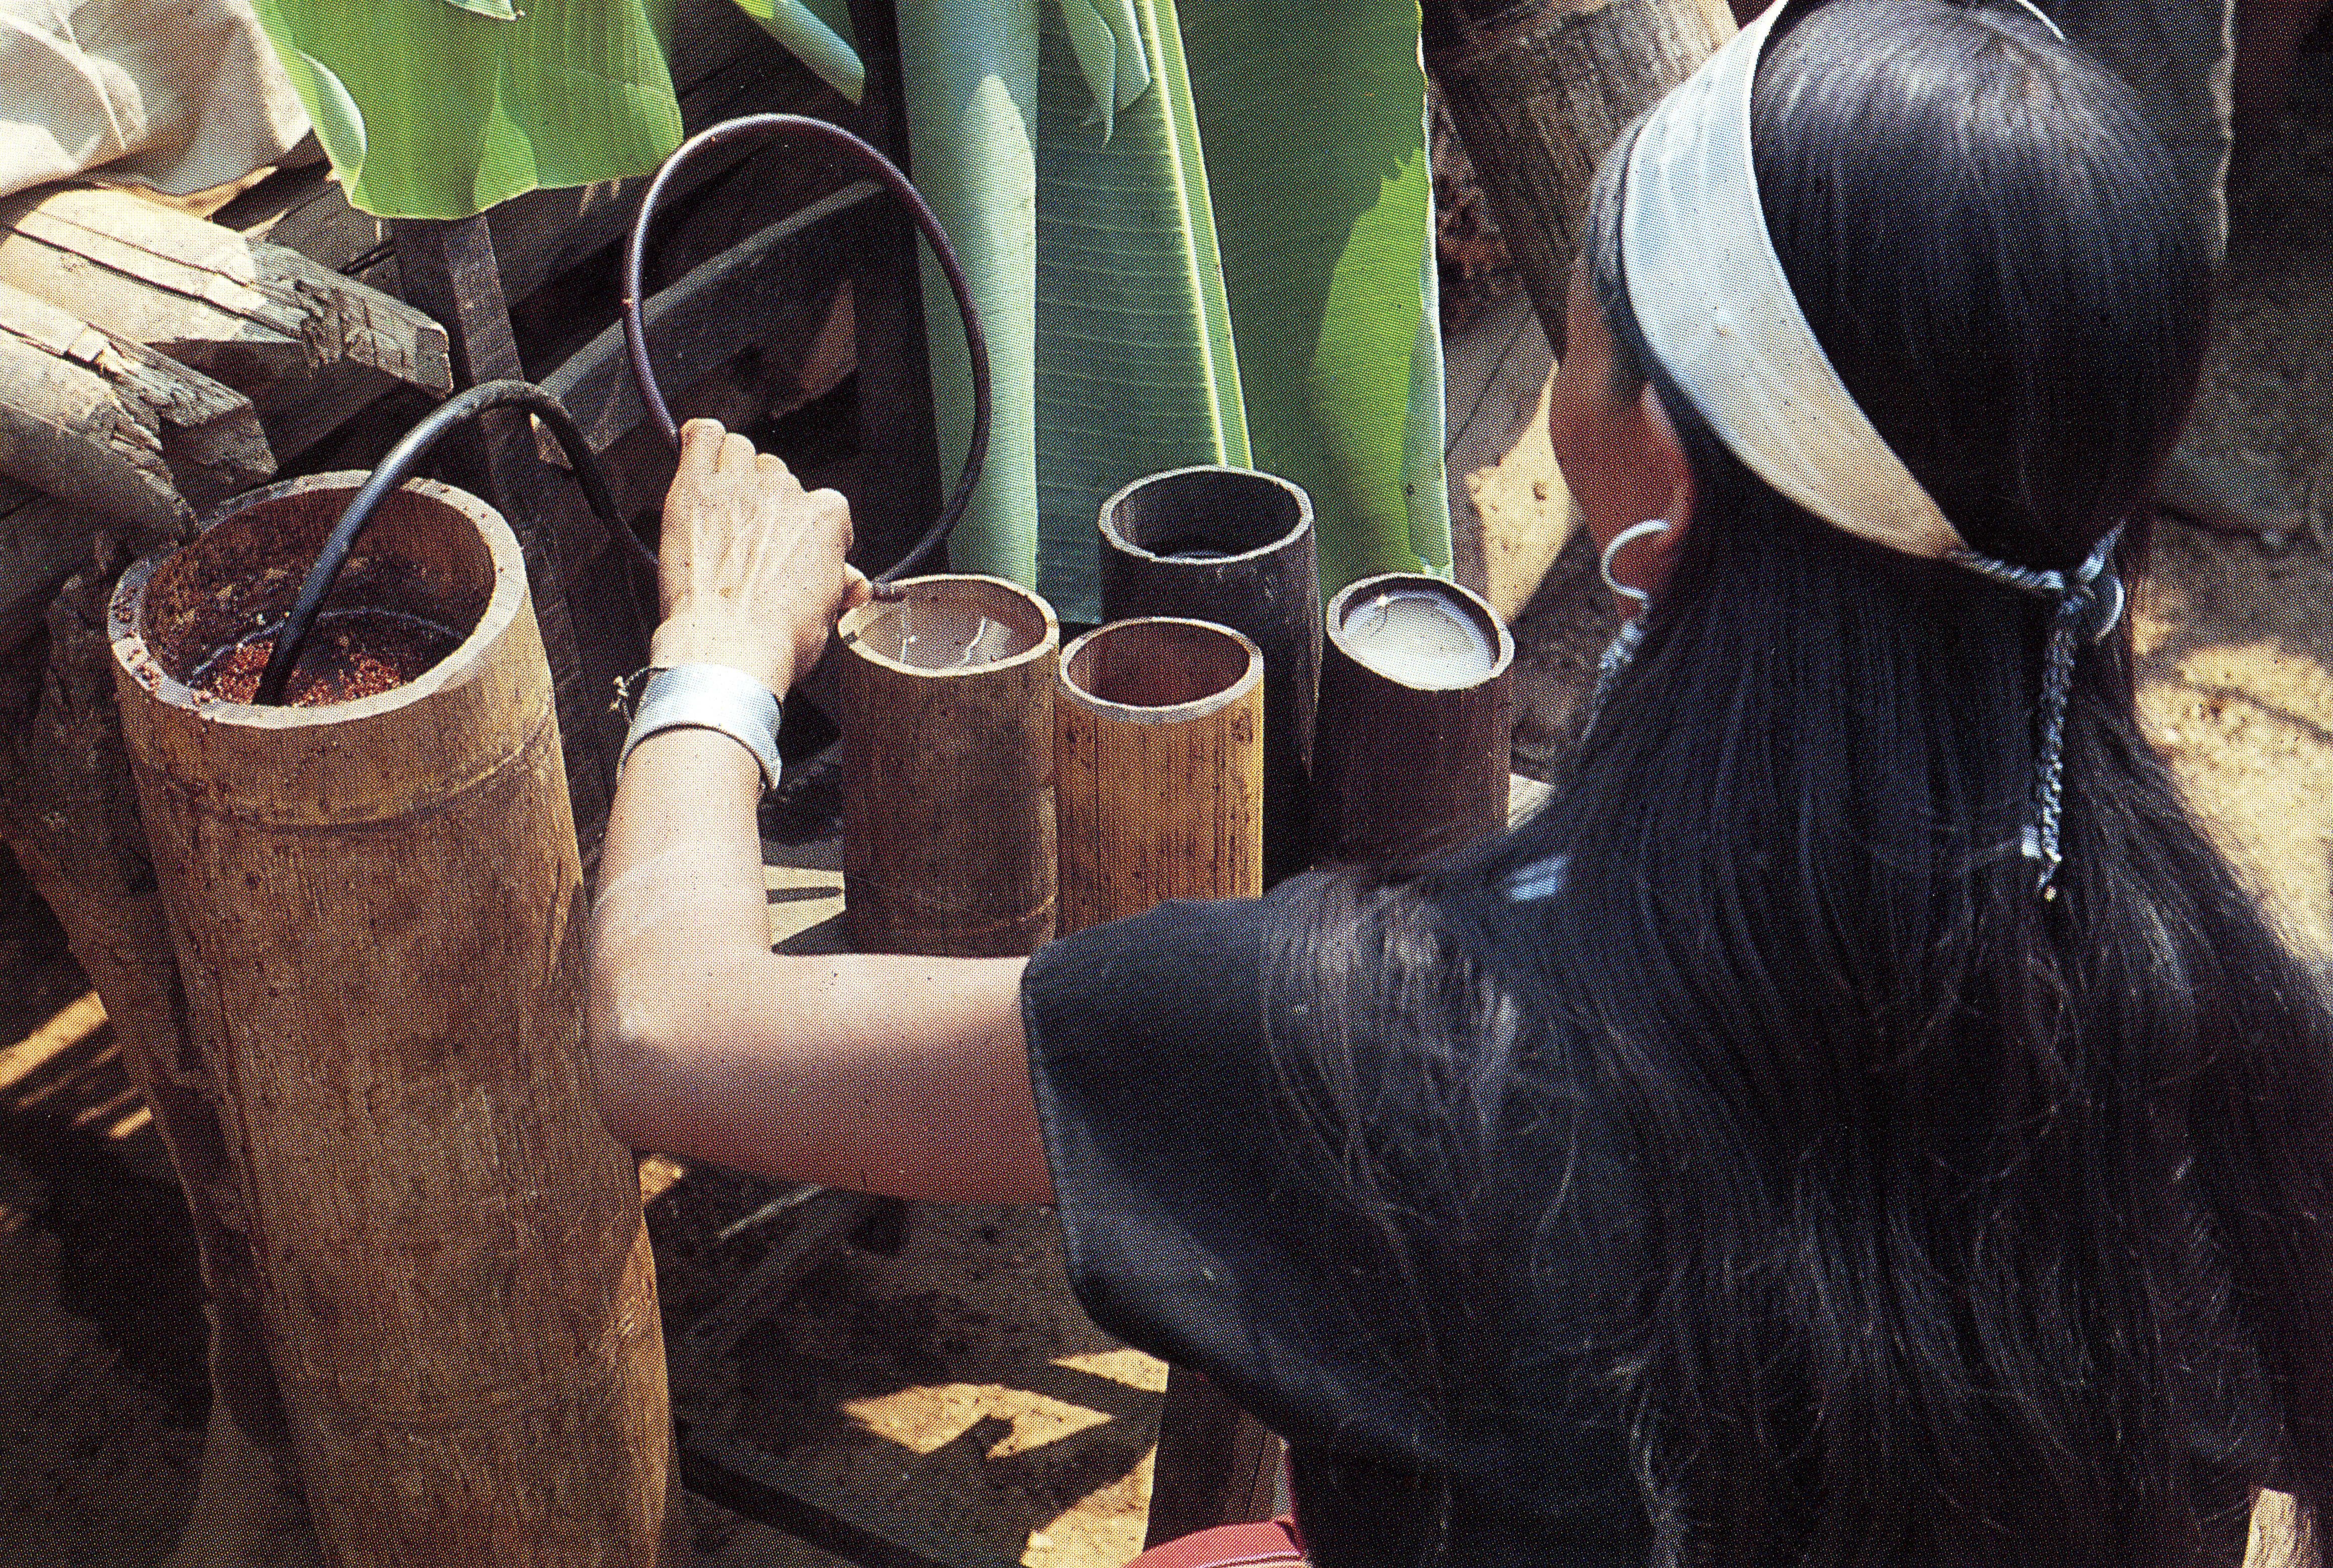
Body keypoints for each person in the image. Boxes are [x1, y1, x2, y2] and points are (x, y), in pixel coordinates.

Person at [588, 1, 2333, 1562]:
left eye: (1576, 321)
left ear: (1646, 470)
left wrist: (722, 653)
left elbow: (668, 1031)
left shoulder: (1392, 1041)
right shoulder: (2251, 1042)